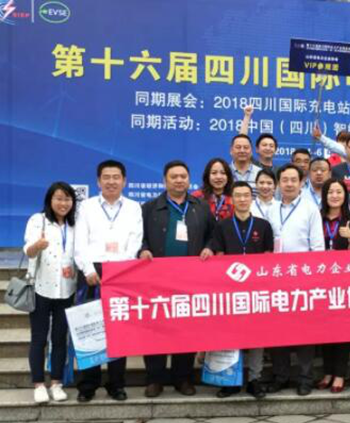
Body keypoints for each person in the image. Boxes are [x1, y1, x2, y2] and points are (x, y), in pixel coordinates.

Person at [139, 160, 216, 398]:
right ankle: (155, 379)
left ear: (189, 179)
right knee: (156, 329)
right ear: (165, 180)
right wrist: (143, 249)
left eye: (183, 176)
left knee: (186, 329)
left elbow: (213, 235)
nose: (179, 180)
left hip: (190, 280)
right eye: (174, 177)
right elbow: (138, 237)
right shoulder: (149, 208)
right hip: (157, 279)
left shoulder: (200, 206)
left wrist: (209, 247)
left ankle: (182, 378)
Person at [74, 160, 143, 403]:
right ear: (98, 181)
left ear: (124, 181)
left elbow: (135, 240)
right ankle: (88, 385)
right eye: (106, 177)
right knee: (90, 328)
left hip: (121, 272)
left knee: (119, 329)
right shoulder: (87, 207)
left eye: (116, 177)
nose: (111, 181)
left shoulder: (134, 207)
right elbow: (79, 241)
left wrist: (122, 269)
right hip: (91, 273)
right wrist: (87, 269)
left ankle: (116, 384)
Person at [211, 181, 274, 400]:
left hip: (257, 290)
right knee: (231, 334)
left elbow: (268, 257)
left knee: (257, 335)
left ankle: (254, 379)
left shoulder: (263, 226)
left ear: (252, 198)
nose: (242, 199)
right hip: (230, 290)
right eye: (238, 195)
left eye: (246, 195)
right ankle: (231, 380)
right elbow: (219, 257)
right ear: (232, 199)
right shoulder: (222, 226)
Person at [266, 164, 324, 396]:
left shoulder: (310, 209)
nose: (289, 184)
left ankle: (305, 378)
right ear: (278, 183)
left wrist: (312, 279)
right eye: (285, 180)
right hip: (275, 279)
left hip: (302, 279)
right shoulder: (271, 209)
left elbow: (317, 247)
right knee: (276, 331)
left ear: (302, 183)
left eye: (293, 180)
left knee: (304, 332)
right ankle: (280, 376)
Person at [24, 182, 78, 403]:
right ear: (49, 200)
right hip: (41, 288)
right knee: (39, 338)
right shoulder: (38, 220)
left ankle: (56, 382)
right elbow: (28, 251)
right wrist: (37, 245)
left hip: (66, 289)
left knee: (60, 337)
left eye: (67, 199)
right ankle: (38, 384)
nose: (63, 203)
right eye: (58, 198)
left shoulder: (75, 224)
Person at [316, 178, 350, 394]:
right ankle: (327, 372)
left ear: (345, 196)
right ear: (324, 195)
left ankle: (340, 374)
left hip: (345, 282)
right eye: (330, 192)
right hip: (321, 281)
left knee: (343, 328)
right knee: (325, 329)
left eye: (339, 192)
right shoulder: (316, 217)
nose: (334, 196)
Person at [240, 106, 278, 171]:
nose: (268, 148)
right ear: (257, 149)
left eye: (271, 146)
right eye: (264, 145)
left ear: (275, 150)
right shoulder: (251, 164)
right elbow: (242, 140)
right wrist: (247, 116)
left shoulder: (279, 171)